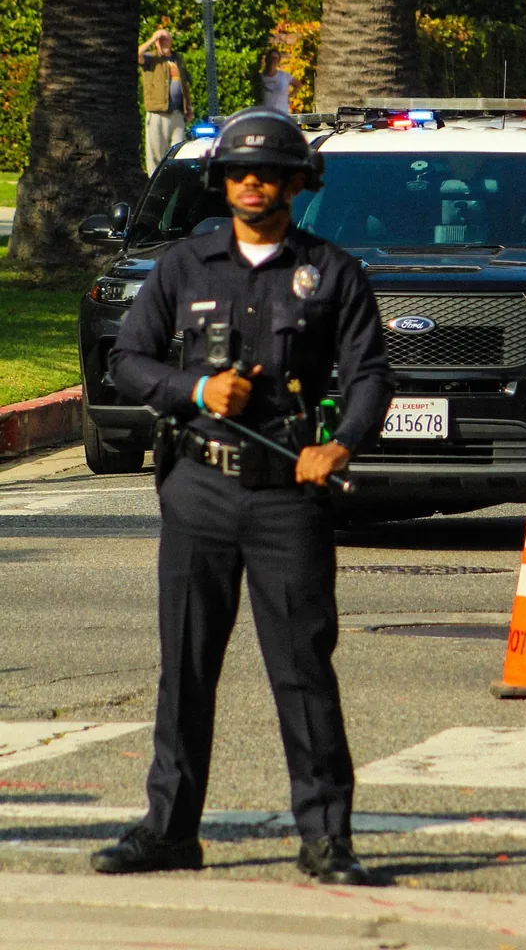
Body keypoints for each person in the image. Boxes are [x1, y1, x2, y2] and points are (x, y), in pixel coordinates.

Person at [93, 109, 391, 886]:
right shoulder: (182, 267)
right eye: (238, 172)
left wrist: (341, 444)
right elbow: (126, 360)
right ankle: (169, 829)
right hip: (196, 488)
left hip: (286, 497)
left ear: (298, 183)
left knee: (302, 668)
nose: (252, 182)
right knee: (185, 667)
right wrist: (193, 387)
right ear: (221, 182)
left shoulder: (331, 272)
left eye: (269, 171)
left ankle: (327, 837)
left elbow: (369, 376)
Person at [139, 28, 192, 174]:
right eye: (160, 40)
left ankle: (175, 180)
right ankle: (154, 183)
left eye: (166, 39)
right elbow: (137, 54)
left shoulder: (178, 59)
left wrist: (189, 108)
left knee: (179, 151)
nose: (163, 43)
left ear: (171, 41)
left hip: (177, 113)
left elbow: (185, 85)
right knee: (156, 154)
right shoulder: (151, 58)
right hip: (158, 113)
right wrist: (152, 38)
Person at [261, 46, 297, 116]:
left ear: (278, 60)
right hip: (265, 115)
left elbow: (298, 85)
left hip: (281, 114)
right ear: (267, 59)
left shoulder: (284, 76)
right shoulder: (260, 77)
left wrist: (289, 96)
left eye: (275, 58)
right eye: (271, 58)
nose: (273, 60)